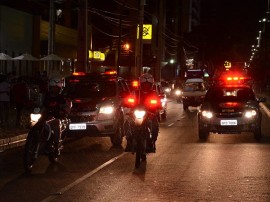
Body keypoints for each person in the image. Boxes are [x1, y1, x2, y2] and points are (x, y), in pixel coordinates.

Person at [30, 78, 71, 156]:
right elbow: (39, 103)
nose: (53, 89)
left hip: (56, 117)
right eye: (52, 87)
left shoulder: (62, 98)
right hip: (45, 116)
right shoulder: (45, 96)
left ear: (59, 89)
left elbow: (67, 106)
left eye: (55, 88)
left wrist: (63, 111)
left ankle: (56, 146)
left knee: (57, 125)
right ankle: (32, 141)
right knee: (34, 124)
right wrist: (34, 106)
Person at [125, 73, 161, 153]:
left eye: (148, 84)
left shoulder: (154, 94)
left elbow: (158, 103)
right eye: (144, 84)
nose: (146, 86)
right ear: (141, 84)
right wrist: (127, 103)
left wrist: (157, 106)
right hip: (135, 113)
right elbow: (129, 100)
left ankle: (152, 142)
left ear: (151, 85)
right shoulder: (135, 93)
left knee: (155, 125)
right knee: (127, 123)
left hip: (150, 114)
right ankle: (129, 141)